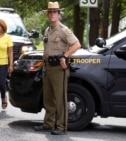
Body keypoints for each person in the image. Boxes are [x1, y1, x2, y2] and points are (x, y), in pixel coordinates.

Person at [34, 1, 81, 135]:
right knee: (48, 98)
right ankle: (49, 123)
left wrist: (65, 56)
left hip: (59, 68)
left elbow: (77, 44)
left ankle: (61, 126)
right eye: (50, 12)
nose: (52, 14)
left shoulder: (64, 30)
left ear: (59, 14)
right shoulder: (47, 30)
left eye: (55, 12)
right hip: (47, 67)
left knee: (60, 98)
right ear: (48, 15)